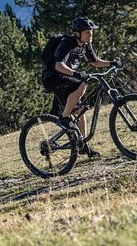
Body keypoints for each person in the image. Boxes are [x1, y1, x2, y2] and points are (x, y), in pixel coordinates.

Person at [40, 16, 119, 158]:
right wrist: (76, 73)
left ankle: (82, 146)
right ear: (77, 33)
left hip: (65, 79)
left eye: (91, 32)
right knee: (82, 86)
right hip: (53, 78)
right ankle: (64, 118)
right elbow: (58, 65)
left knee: (80, 112)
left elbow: (94, 61)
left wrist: (111, 63)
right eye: (87, 32)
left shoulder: (86, 44)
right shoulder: (67, 43)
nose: (91, 35)